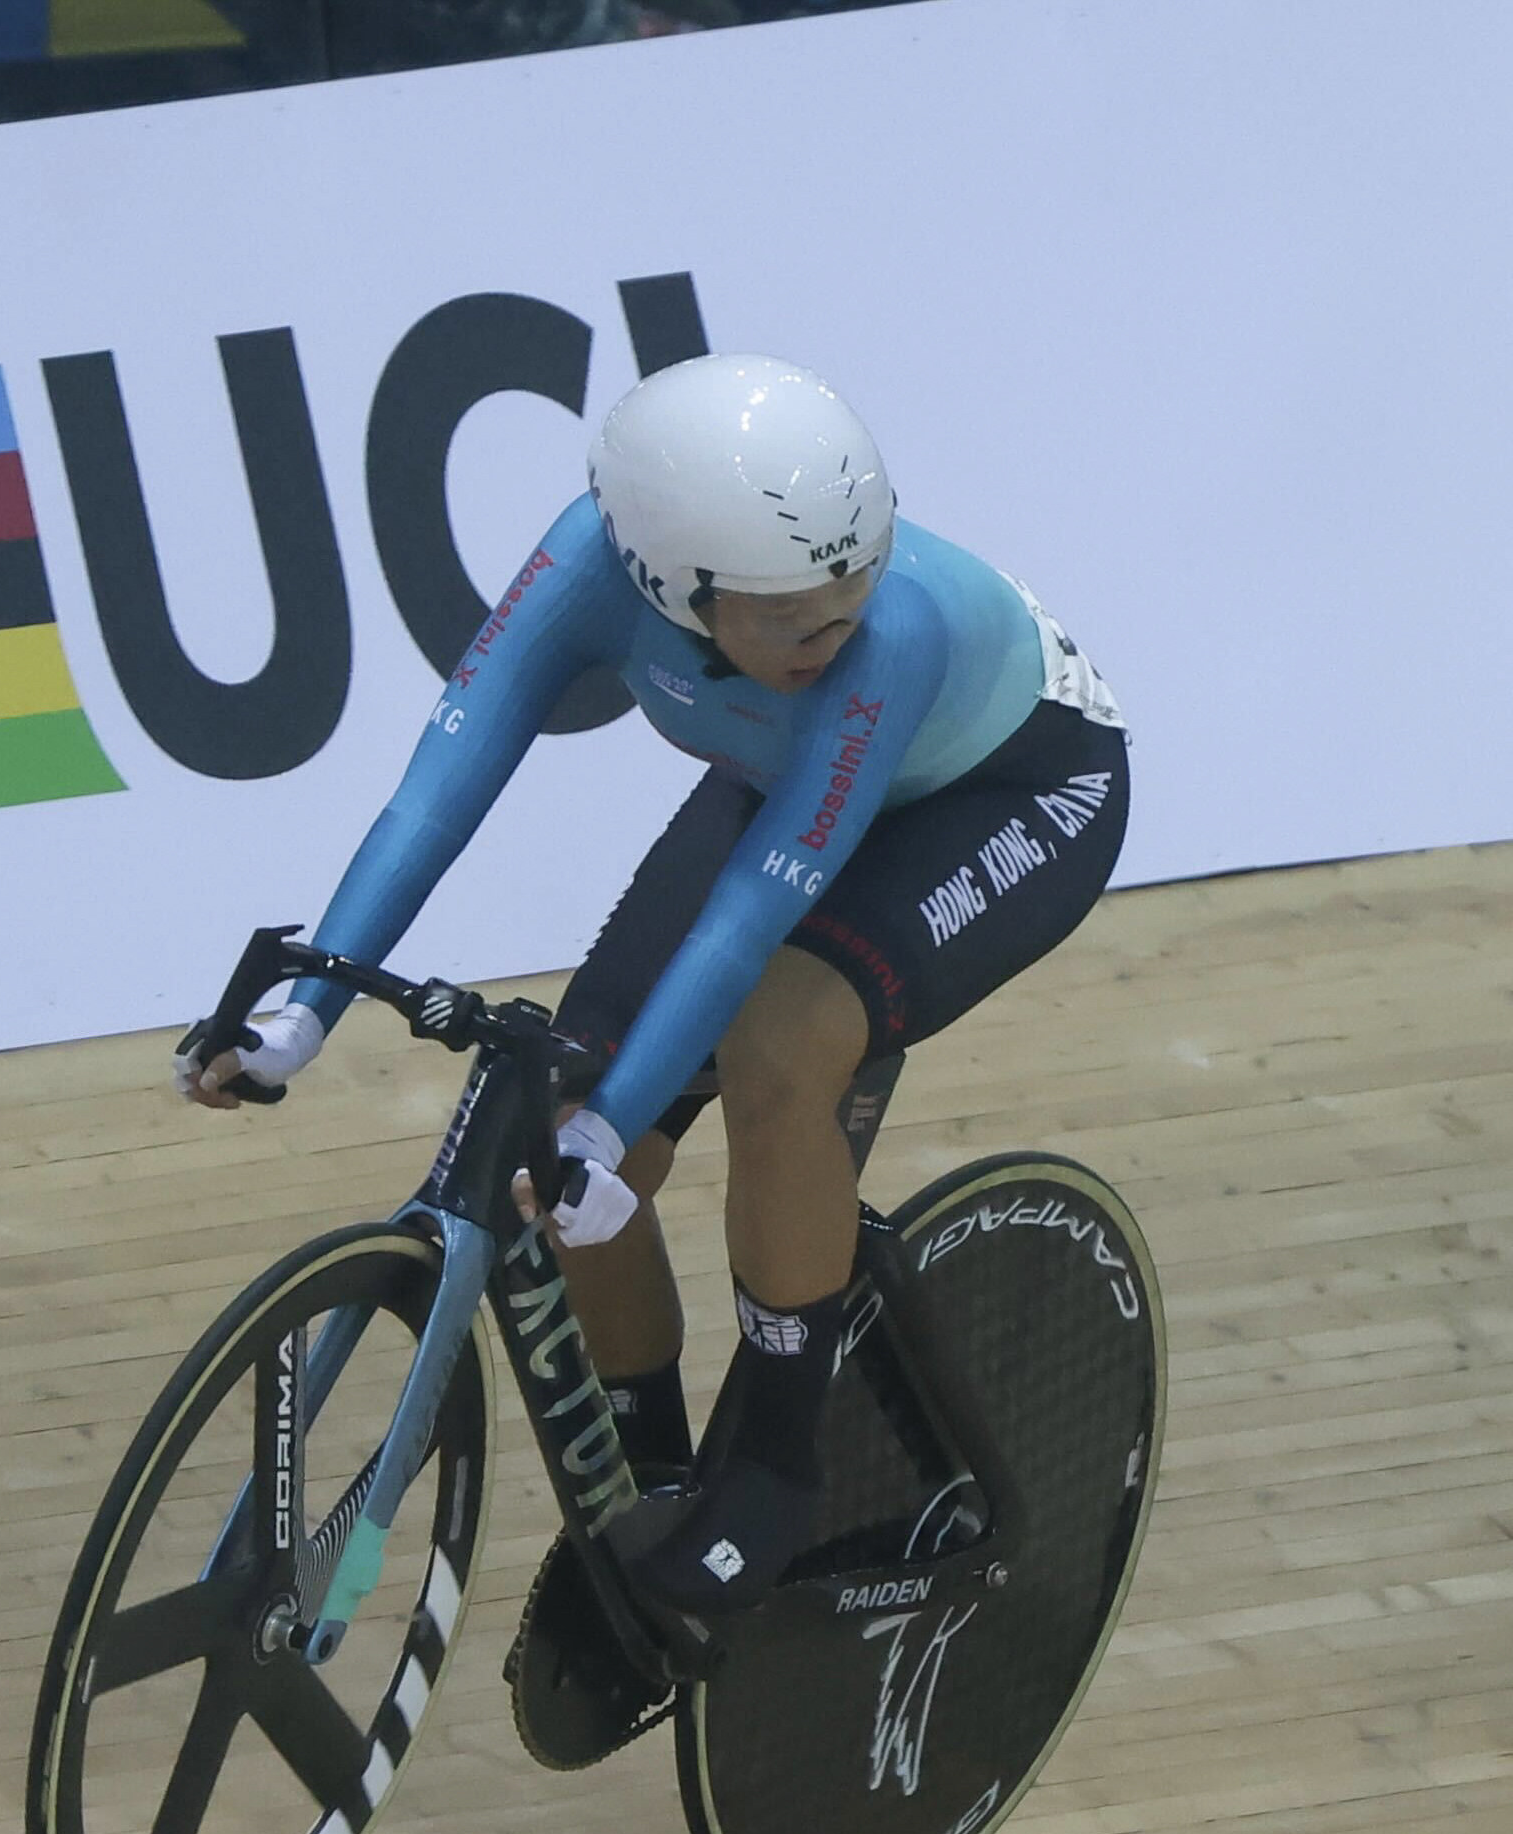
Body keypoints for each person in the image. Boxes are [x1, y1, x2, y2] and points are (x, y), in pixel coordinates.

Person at [180, 351, 1129, 1689]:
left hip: (1011, 793)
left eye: (855, 580)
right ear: (677, 592)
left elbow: (754, 913)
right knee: (563, 1119)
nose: (840, 623)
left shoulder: (885, 636)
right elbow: (437, 796)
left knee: (776, 1045)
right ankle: (652, 1467)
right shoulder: (588, 568)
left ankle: (780, 1465)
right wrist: (307, 1005)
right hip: (790, 784)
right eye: (801, 615)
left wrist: (623, 1124)